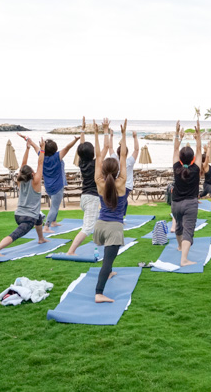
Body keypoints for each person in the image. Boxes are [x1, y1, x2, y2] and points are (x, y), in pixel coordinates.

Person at [93, 118, 130, 304]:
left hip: (99, 226)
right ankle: (99, 293)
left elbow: (98, 157)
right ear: (116, 171)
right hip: (114, 228)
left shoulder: (100, 182)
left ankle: (109, 272)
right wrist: (123, 135)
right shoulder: (121, 183)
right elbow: (122, 156)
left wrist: (100, 133)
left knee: (109, 257)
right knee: (107, 262)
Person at [0, 137, 48, 256]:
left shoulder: (20, 180)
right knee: (15, 235)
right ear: (32, 174)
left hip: (18, 215)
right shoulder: (36, 181)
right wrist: (42, 149)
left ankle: (41, 238)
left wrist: (27, 149)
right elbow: (40, 162)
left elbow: (23, 165)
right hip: (28, 219)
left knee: (39, 217)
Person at [66, 117, 101, 255]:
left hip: (85, 197)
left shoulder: (82, 163)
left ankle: (99, 240)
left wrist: (82, 130)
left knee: (98, 220)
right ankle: (71, 251)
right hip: (91, 199)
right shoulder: (95, 164)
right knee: (87, 228)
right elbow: (99, 151)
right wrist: (97, 133)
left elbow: (81, 146)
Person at [171, 120, 203, 266]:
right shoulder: (196, 168)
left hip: (176, 204)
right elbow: (199, 150)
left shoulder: (177, 167)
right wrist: (198, 138)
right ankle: (184, 259)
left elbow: (175, 150)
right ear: (192, 159)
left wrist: (178, 134)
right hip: (190, 204)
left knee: (178, 226)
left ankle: (179, 246)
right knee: (188, 230)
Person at [41, 134, 79, 234]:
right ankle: (46, 226)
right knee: (54, 206)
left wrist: (29, 141)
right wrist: (75, 140)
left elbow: (35, 147)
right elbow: (67, 147)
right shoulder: (57, 157)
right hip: (57, 186)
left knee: (55, 204)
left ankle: (53, 221)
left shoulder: (42, 156)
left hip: (48, 185)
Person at [108, 129, 139, 195]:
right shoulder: (129, 162)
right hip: (127, 186)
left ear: (117, 152)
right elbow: (136, 150)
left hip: (116, 185)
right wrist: (135, 137)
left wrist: (111, 136)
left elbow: (110, 148)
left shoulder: (114, 159)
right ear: (127, 153)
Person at [199, 145, 211, 209]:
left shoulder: (205, 165)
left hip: (208, 184)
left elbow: (205, 155)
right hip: (207, 185)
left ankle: (195, 199)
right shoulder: (205, 165)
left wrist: (205, 149)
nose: (208, 159)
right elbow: (207, 156)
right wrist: (209, 148)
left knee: (202, 194)